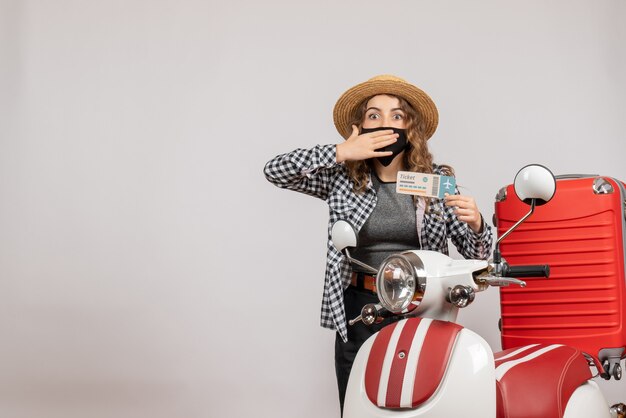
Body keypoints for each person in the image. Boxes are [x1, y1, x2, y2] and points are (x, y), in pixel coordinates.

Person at [263, 74, 493, 414]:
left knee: (420, 401)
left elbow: (478, 255)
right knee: (359, 403)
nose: (386, 123)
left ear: (410, 127)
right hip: (361, 306)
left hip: (422, 306)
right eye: (374, 115)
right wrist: (341, 151)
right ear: (360, 127)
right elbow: (275, 171)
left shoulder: (436, 179)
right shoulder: (341, 177)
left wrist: (476, 223)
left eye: (397, 116)